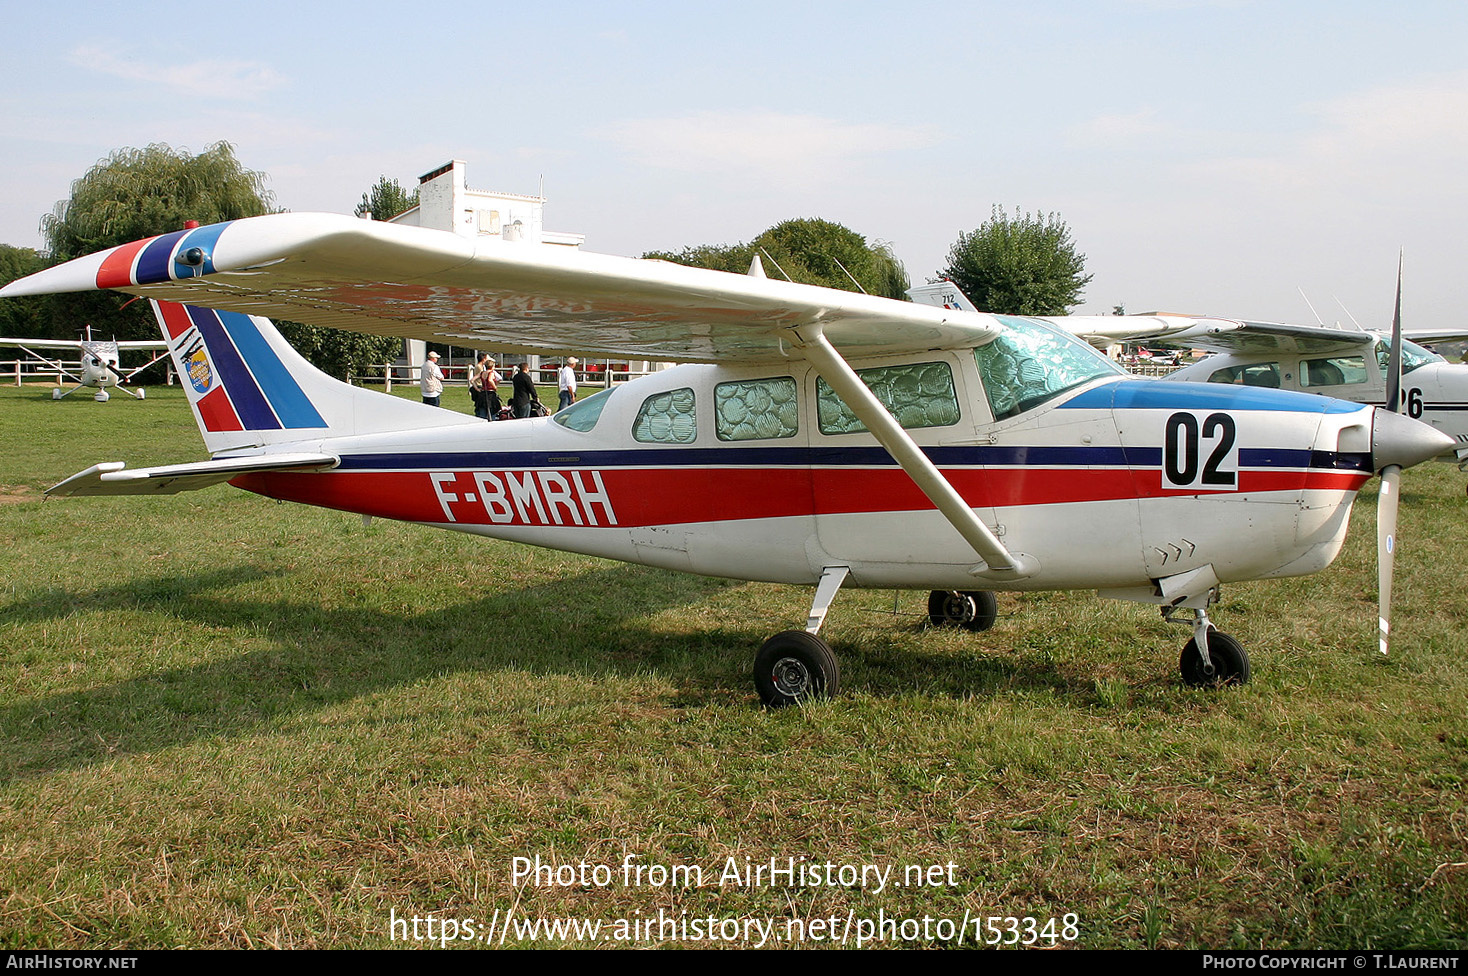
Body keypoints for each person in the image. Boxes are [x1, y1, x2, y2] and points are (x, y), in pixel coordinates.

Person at [470, 353, 490, 419]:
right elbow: (476, 378)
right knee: (480, 405)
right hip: (479, 386)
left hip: (480, 386)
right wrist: (477, 389)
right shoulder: (479, 367)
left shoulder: (481, 366)